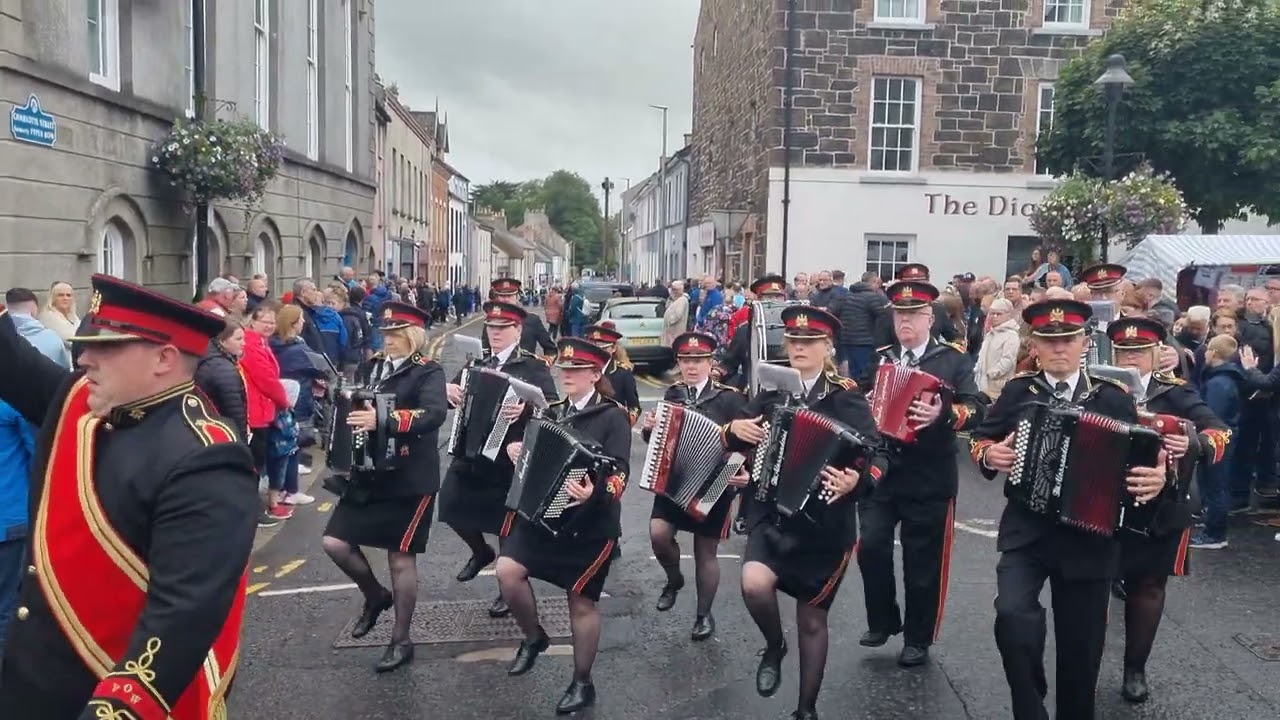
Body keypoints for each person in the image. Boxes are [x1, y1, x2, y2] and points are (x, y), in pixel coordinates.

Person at [0, 274, 258, 719]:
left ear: (164, 357)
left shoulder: (208, 457)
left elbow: (182, 615)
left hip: (100, 694)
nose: (84, 359)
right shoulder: (84, 404)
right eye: (85, 346)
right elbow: (11, 365)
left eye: (105, 347)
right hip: (31, 683)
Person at [968, 298, 1170, 720]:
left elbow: (1146, 457)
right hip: (1028, 530)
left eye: (1068, 339)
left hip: (1090, 539)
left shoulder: (1112, 397)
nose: (1059, 348)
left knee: (1082, 649)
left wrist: (1159, 478)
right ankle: (1029, 704)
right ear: (1035, 346)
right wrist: (990, 455)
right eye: (1048, 340)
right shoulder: (1021, 391)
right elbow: (980, 438)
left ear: (1084, 343)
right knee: (1012, 617)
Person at [724, 306, 890, 720]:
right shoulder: (772, 390)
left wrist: (858, 481)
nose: (798, 347)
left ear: (827, 347)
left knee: (812, 621)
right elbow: (740, 434)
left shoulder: (845, 395)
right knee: (753, 584)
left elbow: (879, 453)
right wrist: (734, 432)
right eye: (794, 341)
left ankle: (806, 709)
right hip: (771, 514)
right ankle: (775, 644)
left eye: (808, 342)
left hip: (825, 523)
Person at [496, 337, 632, 714]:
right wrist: (516, 450)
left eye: (576, 370)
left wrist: (598, 491)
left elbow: (621, 470)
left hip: (590, 524)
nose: (567, 375)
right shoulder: (552, 411)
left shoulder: (612, 417)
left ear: (595, 374)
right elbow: (533, 452)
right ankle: (534, 636)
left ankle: (581, 681)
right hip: (545, 516)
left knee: (581, 602)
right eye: (564, 369)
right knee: (507, 571)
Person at [856, 281, 986, 667]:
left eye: (913, 315)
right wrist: (864, 403)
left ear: (930, 318)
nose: (905, 321)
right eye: (899, 315)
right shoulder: (882, 359)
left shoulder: (952, 360)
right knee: (872, 547)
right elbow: (859, 398)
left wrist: (943, 415)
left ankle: (918, 637)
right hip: (883, 471)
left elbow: (977, 408)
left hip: (929, 473)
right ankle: (882, 620)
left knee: (922, 562)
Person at [1106, 316, 1230, 704]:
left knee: (1148, 585)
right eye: (1123, 351)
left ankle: (1135, 669)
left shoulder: (1173, 392)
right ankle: (1084, 662)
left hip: (1160, 506)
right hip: (1102, 502)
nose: (1130, 359)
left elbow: (1219, 431)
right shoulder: (1097, 389)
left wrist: (1191, 443)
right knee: (1089, 585)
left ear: (1156, 353)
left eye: (1138, 352)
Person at [321, 302, 448, 673]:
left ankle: (401, 639)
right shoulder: (375, 365)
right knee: (335, 543)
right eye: (386, 333)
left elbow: (434, 413)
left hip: (410, 477)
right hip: (368, 472)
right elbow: (357, 398)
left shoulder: (429, 371)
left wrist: (384, 419)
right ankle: (375, 596)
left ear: (412, 336)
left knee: (400, 559)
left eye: (395, 334)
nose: (388, 340)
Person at [441, 301, 557, 618]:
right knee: (449, 505)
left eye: (503, 329)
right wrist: (448, 391)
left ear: (517, 331)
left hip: (509, 456)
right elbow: (452, 396)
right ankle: (480, 553)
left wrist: (527, 409)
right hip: (470, 450)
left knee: (505, 527)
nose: (495, 334)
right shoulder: (476, 362)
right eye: (492, 328)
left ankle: (507, 590)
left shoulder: (531, 367)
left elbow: (553, 409)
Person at [640, 331, 748, 641]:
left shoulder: (730, 398)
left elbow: (747, 442)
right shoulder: (673, 394)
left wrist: (741, 473)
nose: (691, 366)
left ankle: (703, 614)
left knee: (705, 551)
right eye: (686, 360)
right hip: (674, 479)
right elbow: (659, 440)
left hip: (714, 484)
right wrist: (649, 430)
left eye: (698, 360)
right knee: (658, 534)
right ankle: (674, 579)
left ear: (710, 362)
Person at [715, 275, 791, 390]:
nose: (774, 302)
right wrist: (718, 372)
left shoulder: (793, 332)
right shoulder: (746, 330)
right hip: (754, 389)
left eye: (778, 297)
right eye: (769, 297)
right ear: (759, 301)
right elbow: (730, 362)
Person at [870, 264, 960, 349]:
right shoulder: (889, 311)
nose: (914, 289)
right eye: (910, 285)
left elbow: (953, 337)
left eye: (919, 285)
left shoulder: (938, 309)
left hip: (933, 361)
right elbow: (881, 343)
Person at [583, 322, 642, 426]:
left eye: (603, 348)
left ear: (613, 348)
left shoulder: (623, 373)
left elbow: (634, 407)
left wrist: (625, 424)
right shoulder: (583, 370)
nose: (599, 353)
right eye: (595, 348)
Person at [483, 278, 556, 355]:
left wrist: (539, 365)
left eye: (510, 296)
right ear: (497, 297)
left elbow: (551, 349)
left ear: (517, 296)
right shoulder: (491, 321)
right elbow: (484, 348)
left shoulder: (532, 320)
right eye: (502, 296)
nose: (506, 300)